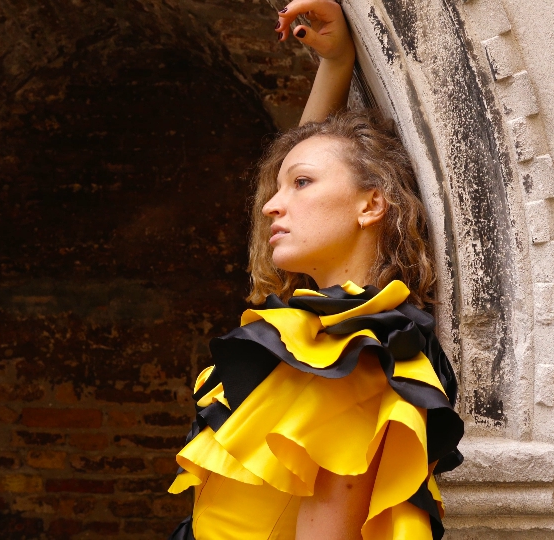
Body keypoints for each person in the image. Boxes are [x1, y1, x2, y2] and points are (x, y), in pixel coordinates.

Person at [167, 1, 464, 538]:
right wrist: (336, 61)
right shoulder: (317, 335)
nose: (271, 207)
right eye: (277, 189)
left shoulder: (355, 360)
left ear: (372, 205)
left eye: (299, 185)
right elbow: (316, 169)